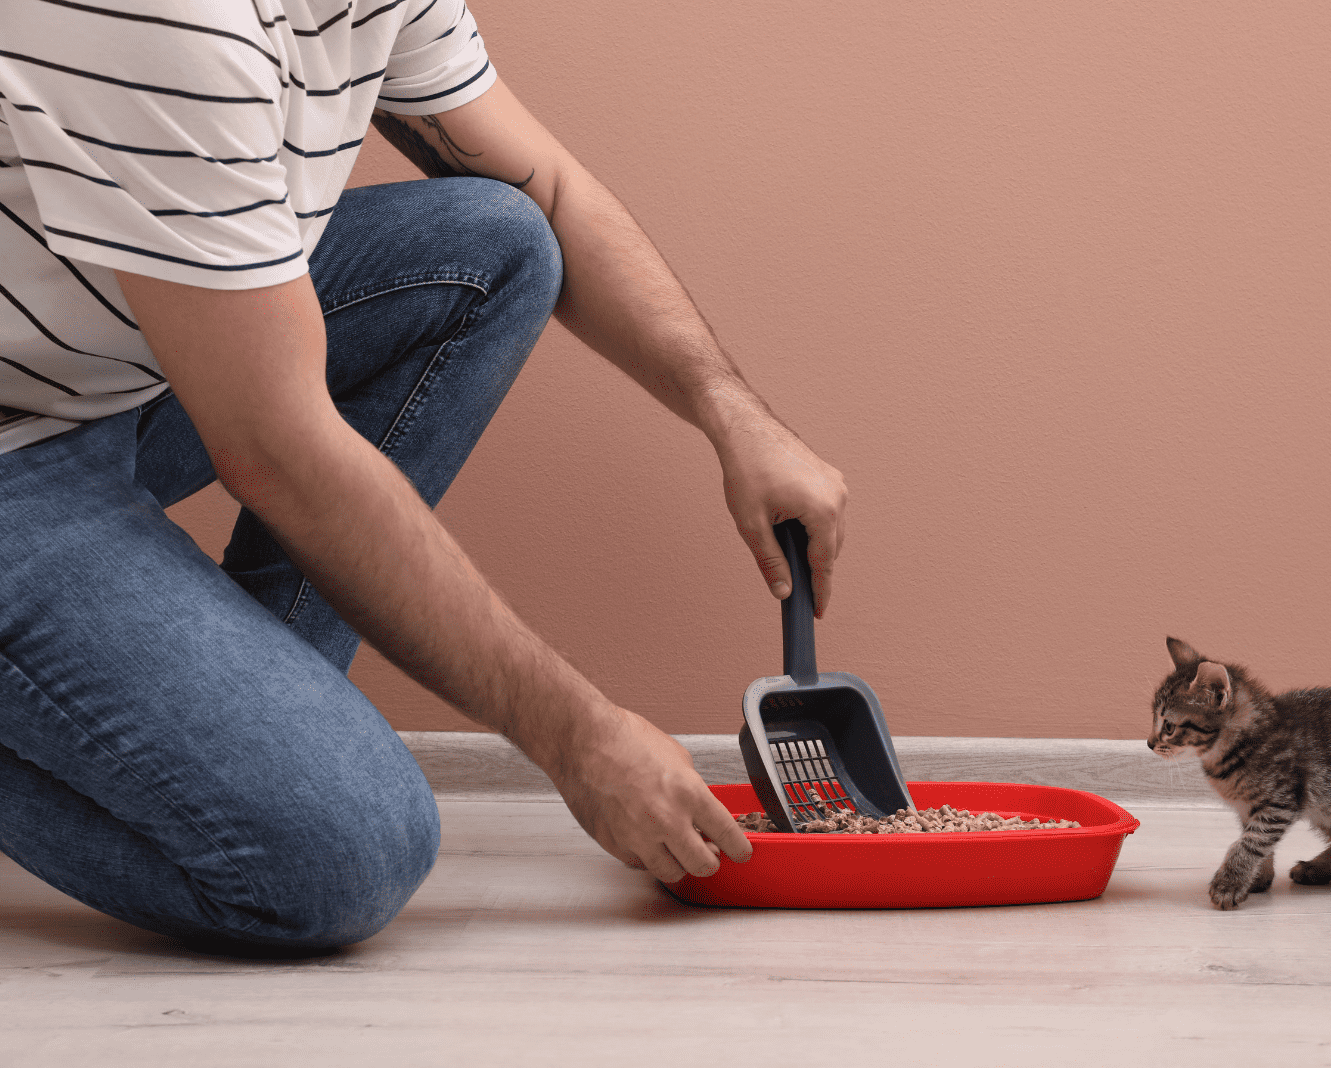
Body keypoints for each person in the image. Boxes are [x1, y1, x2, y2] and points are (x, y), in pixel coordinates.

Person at [0, 0, 847, 953]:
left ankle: (242, 722)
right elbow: (279, 451)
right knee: (340, 859)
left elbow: (550, 191)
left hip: (109, 382)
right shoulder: (165, 17)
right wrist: (581, 738)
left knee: (499, 237)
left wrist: (730, 414)